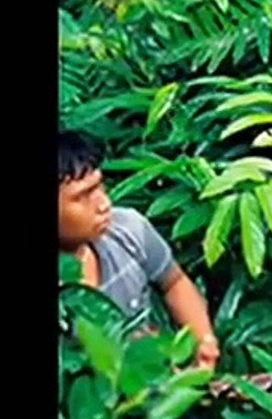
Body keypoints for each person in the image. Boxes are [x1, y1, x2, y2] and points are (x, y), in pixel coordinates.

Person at [58, 130, 221, 370]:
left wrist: (203, 341)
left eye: (99, 187)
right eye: (83, 196)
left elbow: (174, 282)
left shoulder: (128, 229)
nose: (104, 204)